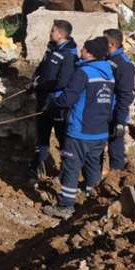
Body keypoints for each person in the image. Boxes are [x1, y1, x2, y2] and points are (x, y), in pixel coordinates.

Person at [43, 36, 116, 219]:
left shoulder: (84, 73)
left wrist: (53, 104)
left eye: (84, 48)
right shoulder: (109, 75)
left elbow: (68, 98)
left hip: (80, 131)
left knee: (71, 167)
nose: (80, 51)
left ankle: (65, 206)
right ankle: (92, 200)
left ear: (90, 54)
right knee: (93, 166)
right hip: (100, 132)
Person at [30, 19, 77, 178]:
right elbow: (42, 69)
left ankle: (65, 172)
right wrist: (34, 80)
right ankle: (36, 168)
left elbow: (63, 82)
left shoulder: (69, 54)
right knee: (41, 137)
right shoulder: (51, 48)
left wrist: (42, 86)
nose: (50, 33)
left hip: (56, 104)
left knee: (62, 138)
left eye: (52, 30)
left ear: (60, 33)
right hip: (43, 101)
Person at [104, 28, 135, 172]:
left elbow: (125, 95)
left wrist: (120, 121)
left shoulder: (124, 64)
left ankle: (115, 180)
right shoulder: (107, 59)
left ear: (111, 44)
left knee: (115, 149)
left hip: (114, 114)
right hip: (102, 111)